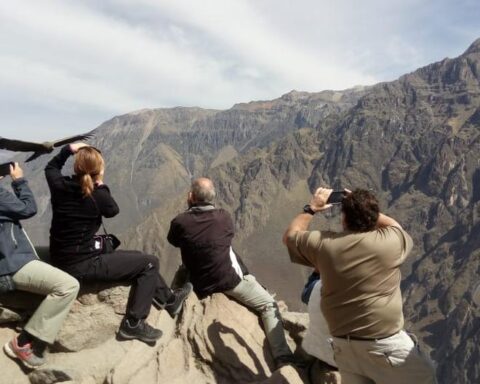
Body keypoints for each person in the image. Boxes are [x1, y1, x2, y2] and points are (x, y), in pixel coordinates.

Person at [283, 187, 437, 384]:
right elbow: (395, 226)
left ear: (343, 219)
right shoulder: (391, 243)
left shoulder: (325, 245)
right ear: (373, 218)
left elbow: (290, 237)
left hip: (344, 350)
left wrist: (311, 208)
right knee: (427, 376)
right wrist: (366, 209)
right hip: (385, 346)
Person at [45, 143, 191, 344]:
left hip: (61, 256)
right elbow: (113, 210)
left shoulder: (60, 186)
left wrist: (68, 149)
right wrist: (101, 184)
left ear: (76, 167)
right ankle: (133, 323)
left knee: (136, 256)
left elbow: (50, 168)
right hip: (82, 264)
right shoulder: (99, 195)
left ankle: (170, 300)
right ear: (99, 171)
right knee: (150, 263)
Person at [167, 177, 294, 368]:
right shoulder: (224, 217)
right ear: (212, 198)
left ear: (191, 197)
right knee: (268, 304)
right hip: (227, 281)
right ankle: (282, 357)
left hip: (198, 281)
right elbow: (225, 237)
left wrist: (190, 209)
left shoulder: (180, 222)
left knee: (188, 263)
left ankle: (174, 296)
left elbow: (174, 241)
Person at [1, 162, 79, 369]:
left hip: (10, 256)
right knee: (68, 286)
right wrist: (18, 181)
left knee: (55, 255)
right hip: (9, 265)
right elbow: (29, 209)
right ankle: (23, 342)